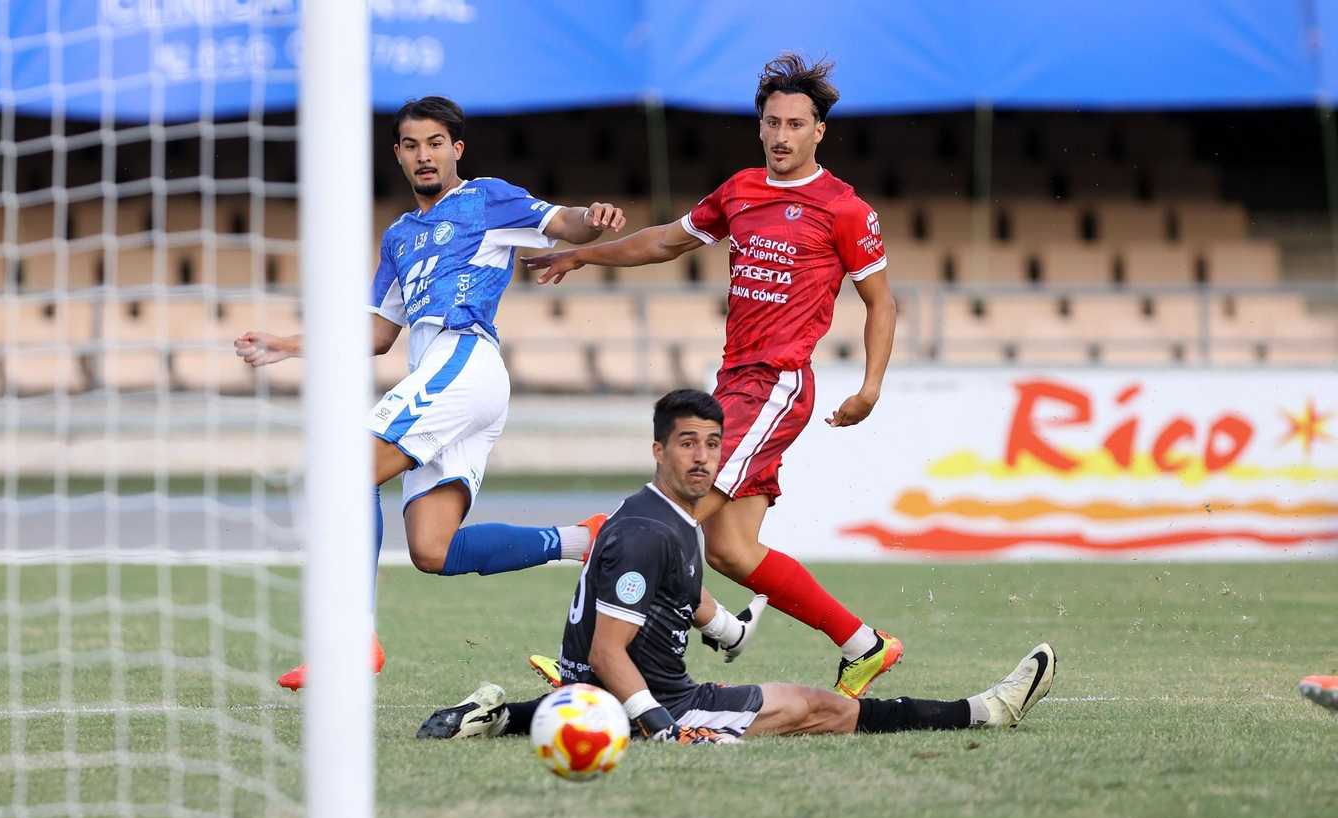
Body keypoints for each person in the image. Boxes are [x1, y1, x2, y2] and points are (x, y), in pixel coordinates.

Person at [524, 53, 903, 699]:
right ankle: (863, 646)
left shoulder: (843, 208)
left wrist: (870, 387)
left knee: (663, 513)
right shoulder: (741, 190)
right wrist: (582, 254)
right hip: (734, 381)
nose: (781, 135)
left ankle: (600, 661)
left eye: (795, 123)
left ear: (819, 132)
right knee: (729, 549)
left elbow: (881, 302)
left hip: (775, 383)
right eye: (771, 122)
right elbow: (664, 242)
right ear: (760, 126)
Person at [235, 96, 626, 690]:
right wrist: (289, 344)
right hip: (439, 374)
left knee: (347, 470)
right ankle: (584, 538)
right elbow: (375, 334)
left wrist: (591, 220)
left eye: (436, 143)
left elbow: (561, 223)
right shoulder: (397, 238)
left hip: (464, 358)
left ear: (456, 149)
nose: (424, 155)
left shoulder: (486, 198)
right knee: (432, 549)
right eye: (412, 145)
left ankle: (349, 642)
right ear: (397, 155)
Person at [418, 389, 1056, 744]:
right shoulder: (648, 531)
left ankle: (499, 714)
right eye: (687, 444)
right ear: (658, 449)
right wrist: (666, 729)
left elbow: (677, 598)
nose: (703, 458)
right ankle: (984, 712)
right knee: (823, 709)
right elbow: (614, 652)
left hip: (606, 691)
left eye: (713, 445)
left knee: (811, 705)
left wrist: (728, 630)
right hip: (662, 701)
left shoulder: (666, 517)